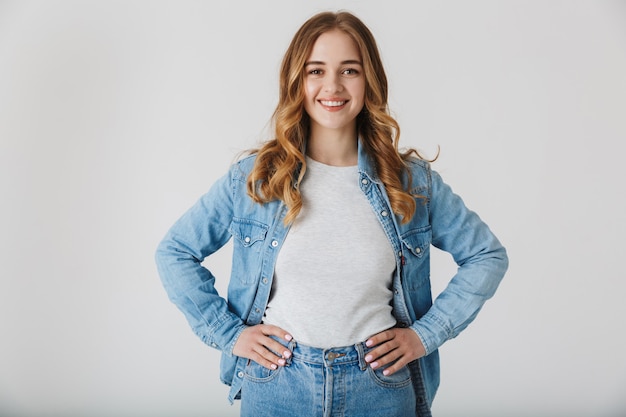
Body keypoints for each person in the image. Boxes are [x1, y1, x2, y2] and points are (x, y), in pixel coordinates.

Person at [155, 10, 508, 417]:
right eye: (316, 70)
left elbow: (487, 256)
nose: (333, 86)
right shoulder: (256, 178)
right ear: (297, 80)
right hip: (277, 384)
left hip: (378, 386)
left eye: (350, 70)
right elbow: (175, 252)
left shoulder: (411, 182)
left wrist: (423, 337)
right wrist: (230, 334)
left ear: (368, 80)